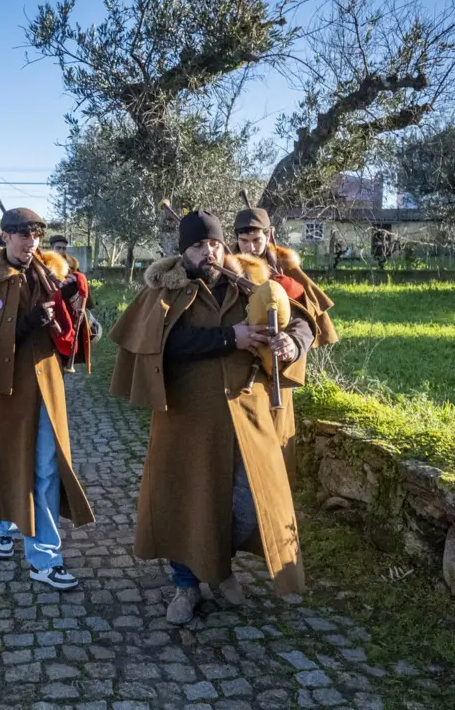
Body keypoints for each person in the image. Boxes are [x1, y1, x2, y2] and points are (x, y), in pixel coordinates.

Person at [108, 209, 315, 625]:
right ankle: (187, 584)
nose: (209, 251)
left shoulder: (252, 286)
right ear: (183, 250)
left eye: (215, 243)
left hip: (246, 417)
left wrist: (292, 344)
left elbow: (304, 322)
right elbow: (161, 345)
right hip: (186, 419)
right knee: (185, 501)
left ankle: (218, 567)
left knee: (248, 503)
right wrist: (229, 338)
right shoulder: (164, 292)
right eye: (199, 244)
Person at [0, 207, 95, 591]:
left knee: (46, 468)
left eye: (36, 236)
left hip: (47, 384)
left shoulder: (48, 274)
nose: (31, 243)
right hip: (6, 391)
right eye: (23, 235)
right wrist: (28, 323)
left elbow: (71, 333)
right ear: (6, 238)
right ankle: (4, 528)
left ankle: (44, 557)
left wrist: (76, 318)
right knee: (10, 465)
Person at [232, 202, 338, 487]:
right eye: (244, 241)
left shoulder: (285, 272)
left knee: (273, 456)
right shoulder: (225, 271)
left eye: (257, 240)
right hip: (236, 377)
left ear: (268, 236)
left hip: (276, 372)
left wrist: (293, 342)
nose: (251, 247)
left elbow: (305, 320)